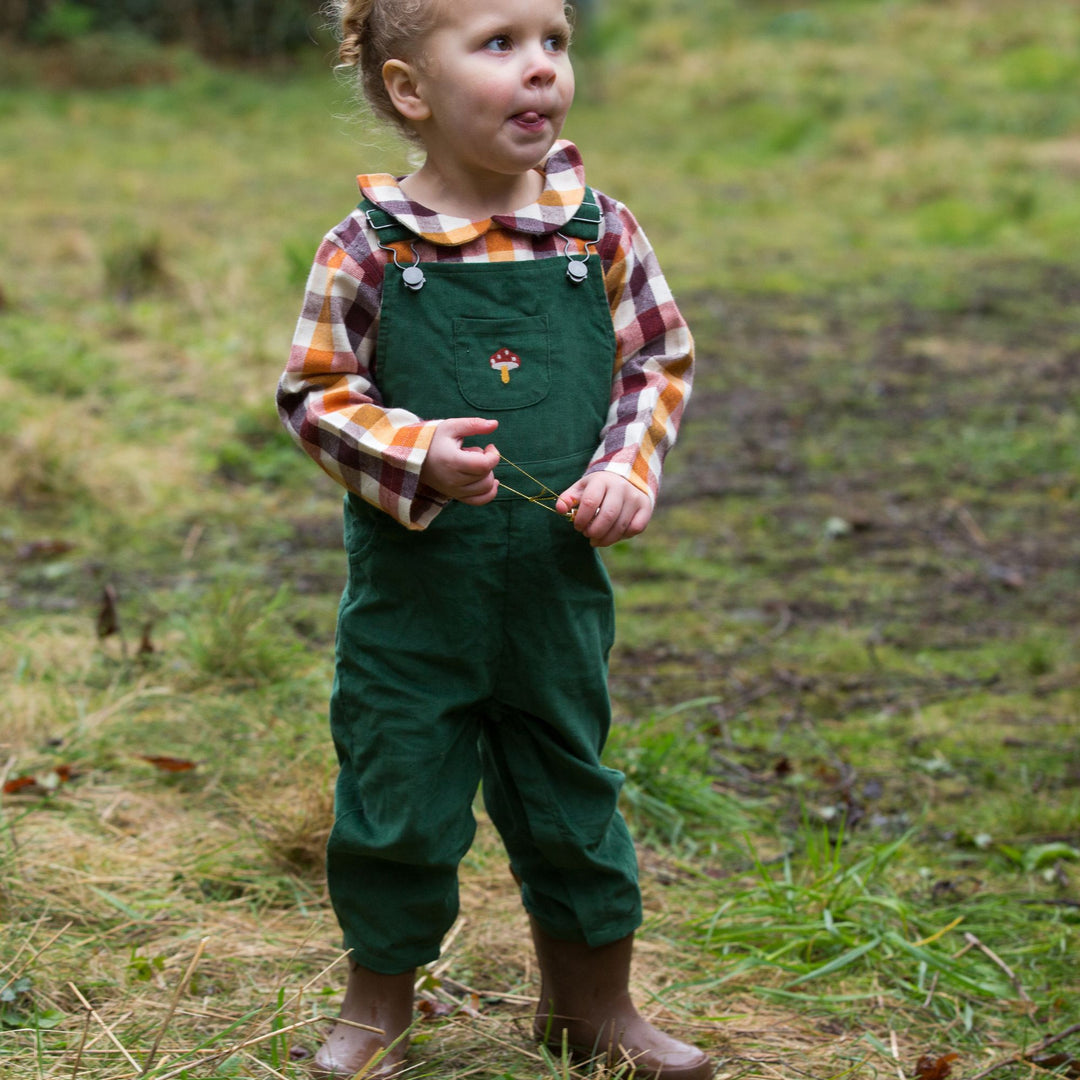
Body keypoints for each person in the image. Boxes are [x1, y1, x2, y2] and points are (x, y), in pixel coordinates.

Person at [276, 0, 709, 1077]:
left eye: (554, 42)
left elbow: (658, 362)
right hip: (416, 599)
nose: (540, 70)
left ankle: (592, 1006)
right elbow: (316, 391)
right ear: (411, 90)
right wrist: (412, 452)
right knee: (398, 791)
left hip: (556, 592)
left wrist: (624, 468)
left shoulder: (598, 229)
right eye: (501, 45)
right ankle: (379, 1006)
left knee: (573, 791)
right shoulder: (367, 247)